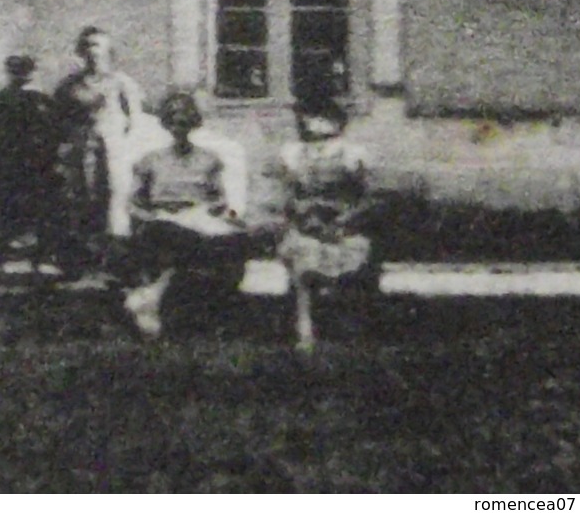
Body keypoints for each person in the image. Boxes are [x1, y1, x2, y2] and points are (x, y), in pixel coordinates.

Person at [121, 89, 251, 339]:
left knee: (235, 239)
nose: (179, 127)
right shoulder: (150, 160)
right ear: (166, 124)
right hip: (162, 219)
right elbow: (134, 203)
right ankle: (154, 302)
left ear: (193, 123)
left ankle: (215, 311)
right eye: (173, 121)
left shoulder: (208, 160)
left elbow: (220, 199)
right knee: (177, 238)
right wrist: (148, 216)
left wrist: (222, 212)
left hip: (198, 216)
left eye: (184, 121)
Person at [277, 96, 375, 353]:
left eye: (321, 117)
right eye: (307, 116)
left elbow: (367, 198)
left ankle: (345, 321)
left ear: (336, 121)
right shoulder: (293, 153)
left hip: (343, 226)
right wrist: (303, 216)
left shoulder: (352, 154)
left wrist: (344, 221)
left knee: (349, 254)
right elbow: (289, 196)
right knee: (304, 255)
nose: (312, 123)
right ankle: (305, 325)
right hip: (306, 224)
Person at [52, 26, 150, 276]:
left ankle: (114, 259)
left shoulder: (122, 83)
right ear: (80, 51)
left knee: (115, 199)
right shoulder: (69, 86)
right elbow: (59, 119)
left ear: (108, 51)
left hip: (115, 150)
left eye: (98, 45)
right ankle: (84, 259)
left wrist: (121, 144)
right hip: (81, 151)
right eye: (88, 45)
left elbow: (135, 120)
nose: (93, 51)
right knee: (82, 199)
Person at [0, 55, 61, 262]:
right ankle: (14, 241)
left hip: (28, 160)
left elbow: (53, 131)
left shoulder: (34, 99)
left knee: (24, 199)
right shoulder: (6, 98)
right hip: (15, 159)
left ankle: (23, 242)